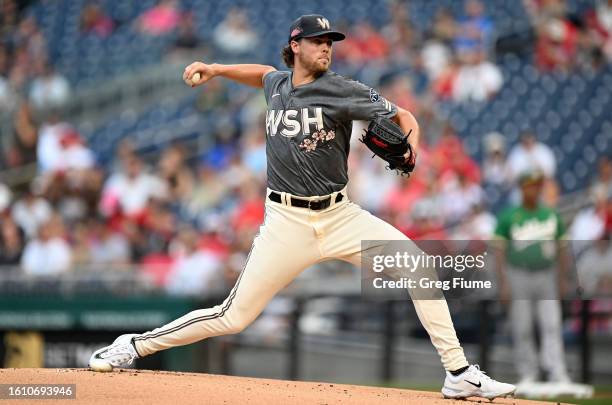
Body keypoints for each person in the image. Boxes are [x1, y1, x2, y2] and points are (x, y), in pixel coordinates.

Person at [89, 14, 515, 400]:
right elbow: (263, 75)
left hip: (340, 215)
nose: (327, 47)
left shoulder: (342, 89)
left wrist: (413, 149)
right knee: (233, 317)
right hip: (286, 222)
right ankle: (135, 345)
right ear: (296, 46)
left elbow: (405, 116)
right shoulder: (278, 84)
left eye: (330, 41)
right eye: (318, 41)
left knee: (419, 268)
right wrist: (217, 69)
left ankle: (458, 372)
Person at [494, 170, 571, 385]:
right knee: (523, 325)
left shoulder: (550, 214)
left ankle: (557, 371)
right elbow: (498, 251)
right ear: (522, 188)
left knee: (552, 324)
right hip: (518, 274)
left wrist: (563, 279)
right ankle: (528, 373)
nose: (534, 189)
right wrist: (503, 283)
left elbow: (563, 248)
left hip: (547, 275)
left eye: (538, 185)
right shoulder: (509, 216)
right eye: (530, 185)